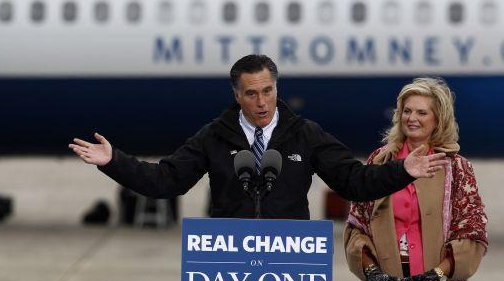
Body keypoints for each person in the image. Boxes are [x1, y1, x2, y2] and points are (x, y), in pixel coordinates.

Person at [69, 55, 447, 219]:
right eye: (252, 93)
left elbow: (355, 182)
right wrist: (113, 161)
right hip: (228, 264)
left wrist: (404, 170)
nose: (262, 102)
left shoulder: (305, 134)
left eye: (268, 91)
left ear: (276, 88)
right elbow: (165, 181)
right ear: (237, 95)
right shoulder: (214, 137)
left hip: (289, 262)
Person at [344, 78, 488, 281]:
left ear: (438, 119)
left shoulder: (457, 168)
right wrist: (375, 275)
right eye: (407, 111)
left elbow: (471, 233)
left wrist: (433, 277)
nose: (412, 118)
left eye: (422, 112)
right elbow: (357, 228)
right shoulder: (379, 161)